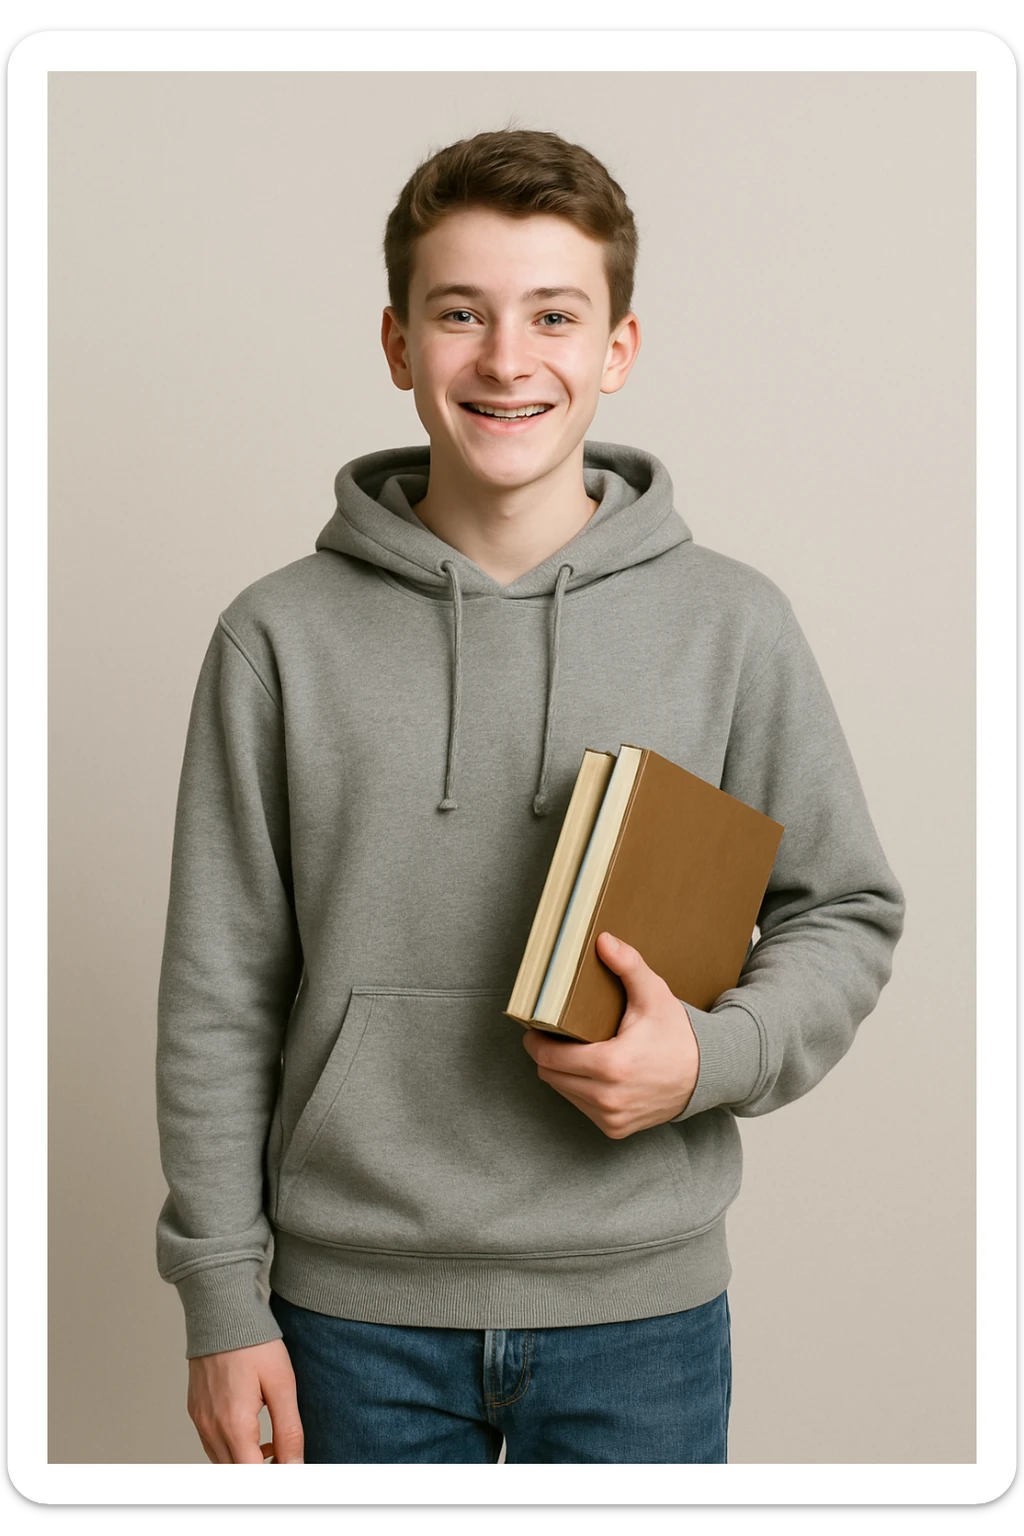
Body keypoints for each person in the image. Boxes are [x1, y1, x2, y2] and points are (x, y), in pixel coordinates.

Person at [155, 128, 906, 1466]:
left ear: (617, 347)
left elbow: (844, 908)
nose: (507, 360)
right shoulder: (276, 637)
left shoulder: (732, 623)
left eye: (554, 314)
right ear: (398, 344)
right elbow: (218, 988)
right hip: (343, 1315)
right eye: (462, 314)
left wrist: (706, 1060)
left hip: (642, 1312)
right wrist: (222, 1300)